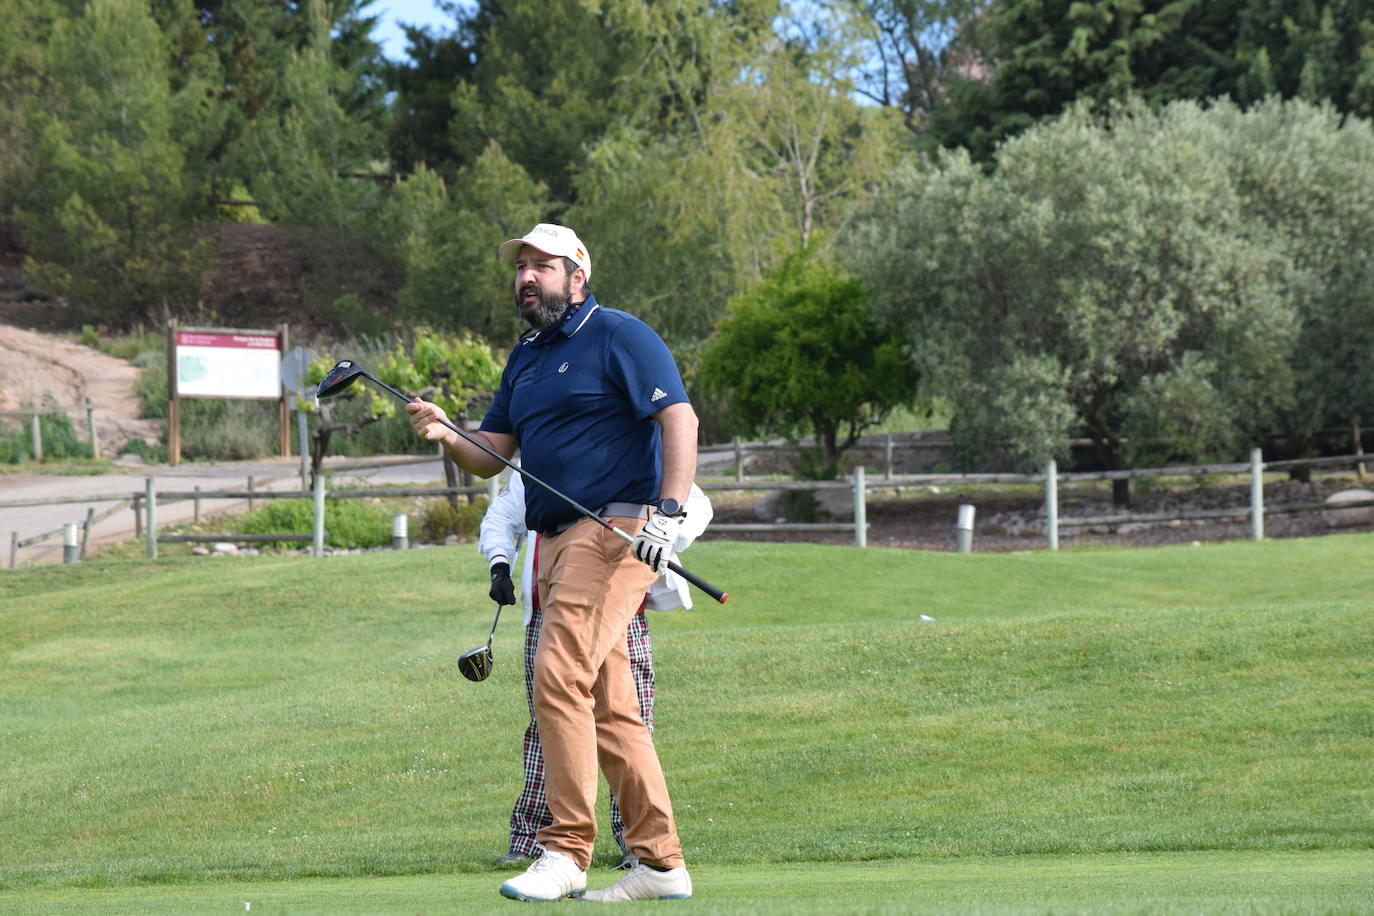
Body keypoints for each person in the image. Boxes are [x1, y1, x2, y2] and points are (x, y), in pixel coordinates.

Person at [406, 223, 701, 902]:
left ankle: (566, 850)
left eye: (543, 265)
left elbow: (678, 420)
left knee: (557, 673)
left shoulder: (621, 335)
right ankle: (659, 864)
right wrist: (445, 431)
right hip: (555, 541)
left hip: (618, 530)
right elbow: (489, 455)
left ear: (578, 275)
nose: (527, 276)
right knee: (608, 703)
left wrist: (670, 511)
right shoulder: (527, 359)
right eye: (521, 267)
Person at [480, 473, 713, 871]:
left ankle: (637, 845)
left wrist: (664, 533)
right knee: (547, 725)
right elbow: (501, 518)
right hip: (545, 612)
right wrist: (499, 565)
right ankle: (533, 841)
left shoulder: (635, 452)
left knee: (627, 722)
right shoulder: (538, 460)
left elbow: (696, 504)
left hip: (623, 614)